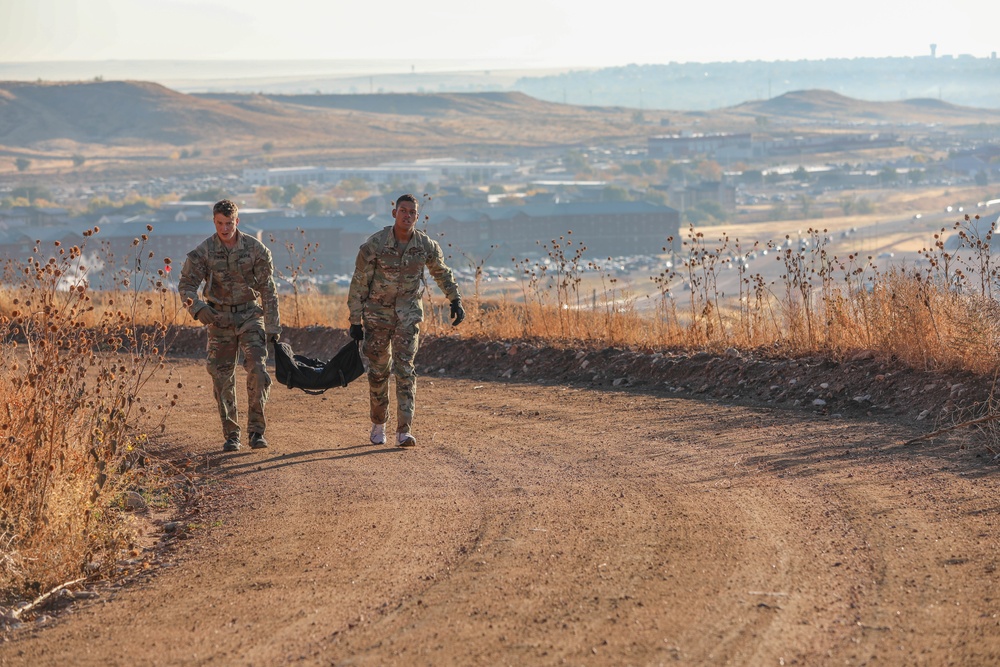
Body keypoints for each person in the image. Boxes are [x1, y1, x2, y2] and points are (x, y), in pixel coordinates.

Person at [347, 194, 465, 448]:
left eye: (412, 212)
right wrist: (355, 319)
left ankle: (404, 430)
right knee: (378, 372)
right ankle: (379, 425)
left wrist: (455, 299)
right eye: (403, 210)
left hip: (407, 316)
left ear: (417, 217)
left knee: (405, 370)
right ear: (394, 213)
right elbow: (359, 280)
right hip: (377, 316)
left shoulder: (425, 245)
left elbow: (441, 271)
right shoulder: (375, 244)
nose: (407, 215)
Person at [178, 199, 282, 452]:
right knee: (221, 377)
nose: (225, 228)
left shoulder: (256, 250)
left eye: (229, 223)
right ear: (214, 222)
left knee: (257, 370)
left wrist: (272, 327)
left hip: (249, 315)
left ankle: (256, 431)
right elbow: (186, 285)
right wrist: (198, 307)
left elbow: (268, 289)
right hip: (219, 319)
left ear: (237, 220)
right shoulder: (203, 252)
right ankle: (231, 435)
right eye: (220, 223)